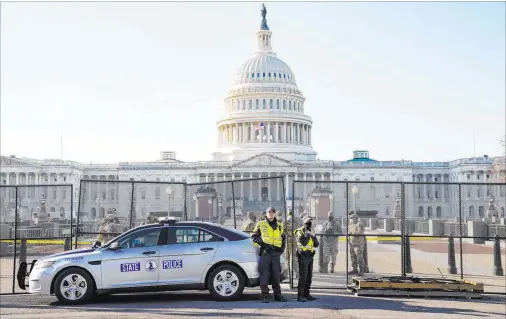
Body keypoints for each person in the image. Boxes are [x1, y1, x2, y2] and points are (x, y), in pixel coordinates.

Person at [251, 207, 287, 303]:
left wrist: (281, 250)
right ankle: (265, 295)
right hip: (265, 252)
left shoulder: (279, 226)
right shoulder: (261, 224)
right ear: (266, 214)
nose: (271, 213)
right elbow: (254, 236)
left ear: (275, 214)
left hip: (276, 253)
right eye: (269, 212)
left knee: (276, 274)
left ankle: (277, 295)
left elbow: (283, 239)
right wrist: (263, 244)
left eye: (272, 212)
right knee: (264, 274)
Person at [294, 217, 319, 302]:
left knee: (309, 277)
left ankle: (306, 294)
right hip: (303, 256)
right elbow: (303, 242)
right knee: (303, 277)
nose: (310, 225)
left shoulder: (311, 232)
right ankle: (300, 295)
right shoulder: (299, 231)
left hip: (310, 256)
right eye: (308, 223)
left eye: (311, 223)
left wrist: (313, 235)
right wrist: (309, 234)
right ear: (304, 223)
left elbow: (316, 244)